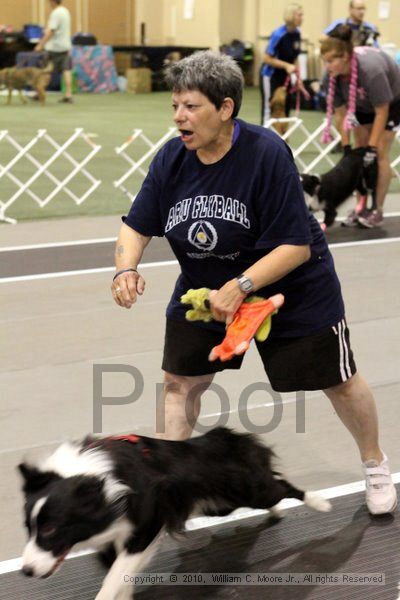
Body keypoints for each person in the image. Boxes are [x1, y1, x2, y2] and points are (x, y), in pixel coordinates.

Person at [111, 50, 396, 515]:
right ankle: (167, 484)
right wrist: (126, 268)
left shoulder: (266, 153)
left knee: (338, 381)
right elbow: (136, 225)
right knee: (179, 383)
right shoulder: (171, 158)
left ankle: (374, 461)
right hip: (207, 287)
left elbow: (296, 245)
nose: (179, 117)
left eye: (191, 107)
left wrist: (242, 285)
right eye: (175, 107)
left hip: (293, 286)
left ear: (225, 108)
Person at [321, 25, 400, 228]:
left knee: (379, 153)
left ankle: (378, 210)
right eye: (325, 61)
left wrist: (372, 149)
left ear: (346, 56)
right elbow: (341, 114)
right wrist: (347, 147)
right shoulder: (331, 77)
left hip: (391, 102)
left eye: (331, 61)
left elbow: (382, 111)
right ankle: (361, 206)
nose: (326, 66)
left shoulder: (370, 71)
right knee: (358, 153)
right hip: (361, 104)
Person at [260, 3, 304, 126]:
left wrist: (298, 78)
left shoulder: (297, 34)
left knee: (285, 107)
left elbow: (295, 58)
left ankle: (282, 138)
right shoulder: (278, 34)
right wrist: (286, 66)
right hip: (270, 75)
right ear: (291, 16)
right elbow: (266, 58)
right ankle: (265, 137)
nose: (302, 18)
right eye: (299, 15)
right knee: (270, 107)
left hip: (286, 76)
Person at [35, 0, 73, 103]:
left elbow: (51, 31)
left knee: (47, 70)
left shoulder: (55, 13)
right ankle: (68, 95)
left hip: (54, 47)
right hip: (65, 45)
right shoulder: (65, 11)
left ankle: (40, 93)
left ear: (52, 1)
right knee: (66, 70)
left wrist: (40, 44)